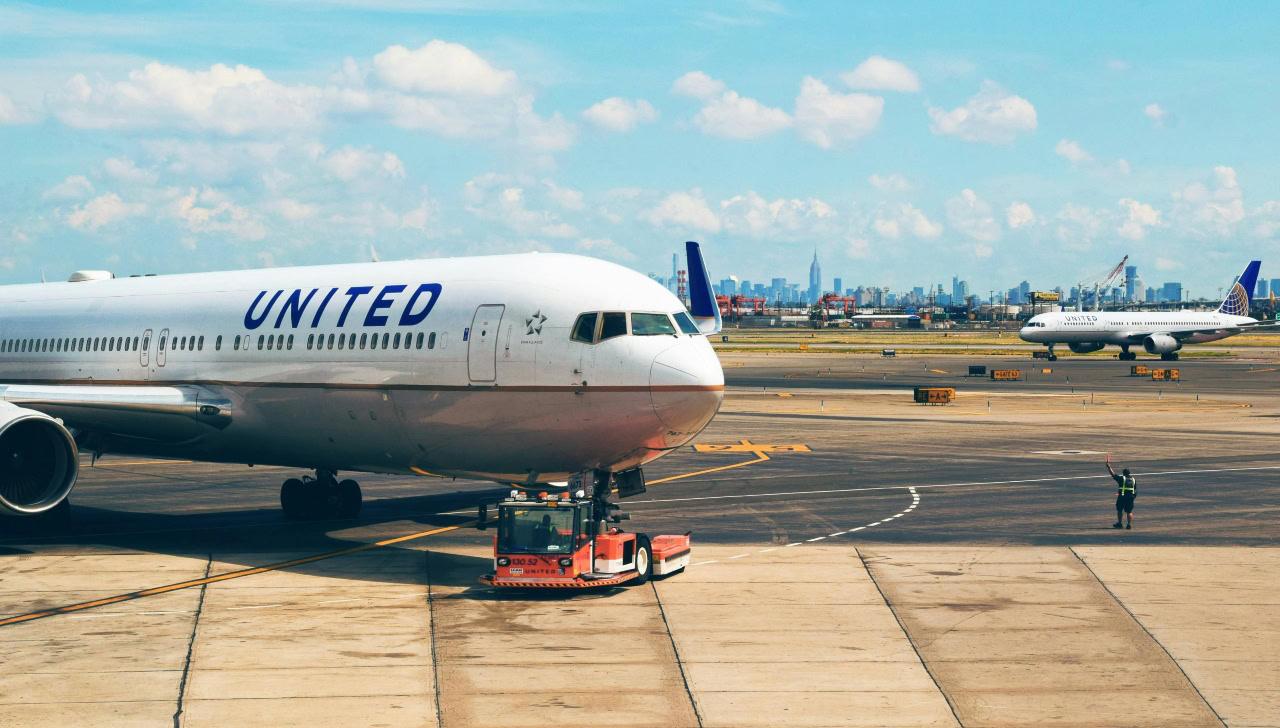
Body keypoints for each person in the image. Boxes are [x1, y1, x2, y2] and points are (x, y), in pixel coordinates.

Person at [1105, 455, 1136, 529]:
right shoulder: (1133, 479)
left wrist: (1109, 467)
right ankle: (1129, 524)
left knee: (1119, 510)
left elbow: (1113, 475)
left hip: (1122, 497)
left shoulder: (1122, 478)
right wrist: (1133, 497)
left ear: (1124, 473)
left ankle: (1119, 523)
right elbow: (1135, 490)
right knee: (1129, 511)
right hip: (1130, 498)